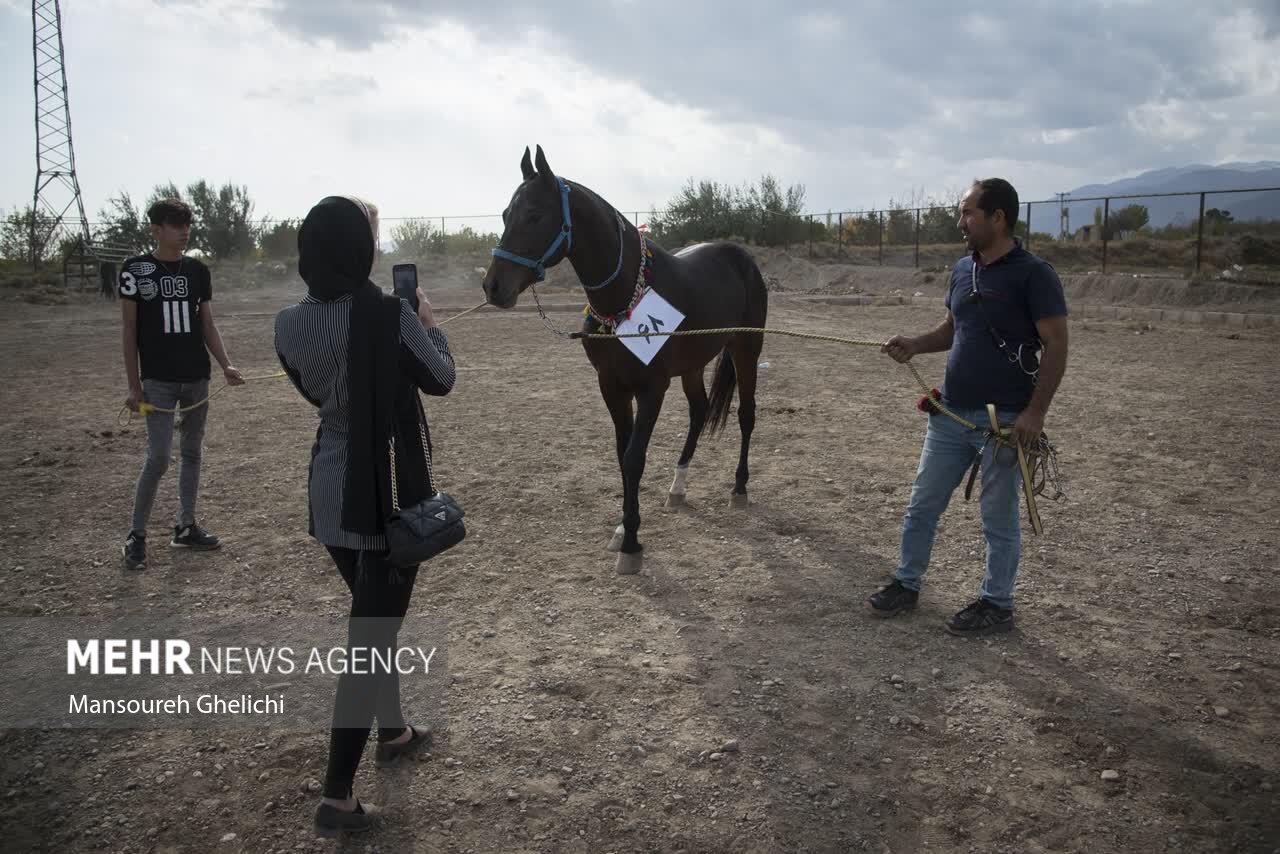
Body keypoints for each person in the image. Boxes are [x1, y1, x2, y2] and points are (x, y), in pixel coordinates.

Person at [274, 195, 456, 836]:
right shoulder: (388, 315)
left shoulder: (288, 325)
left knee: (373, 622)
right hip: (384, 494)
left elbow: (314, 391)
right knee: (372, 640)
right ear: (361, 249)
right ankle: (336, 797)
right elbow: (442, 377)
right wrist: (425, 323)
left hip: (330, 488)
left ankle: (395, 731)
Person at [866, 178, 1068, 636]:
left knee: (998, 517)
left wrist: (1035, 413)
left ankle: (997, 604)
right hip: (951, 415)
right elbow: (953, 328)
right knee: (922, 504)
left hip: (1005, 422)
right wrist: (915, 345)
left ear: (998, 217)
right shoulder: (963, 270)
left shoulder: (1035, 274)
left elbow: (1057, 344)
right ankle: (907, 583)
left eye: (968, 213)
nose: (961, 221)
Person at [119, 198, 243, 571]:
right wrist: (133, 385)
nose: (184, 230)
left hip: (196, 377)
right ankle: (136, 535)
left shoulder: (197, 271)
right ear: (157, 230)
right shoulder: (135, 270)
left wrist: (226, 365)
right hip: (157, 380)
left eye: (187, 223)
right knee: (158, 457)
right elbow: (129, 330)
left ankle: (185, 526)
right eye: (176, 224)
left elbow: (207, 324)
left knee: (193, 452)